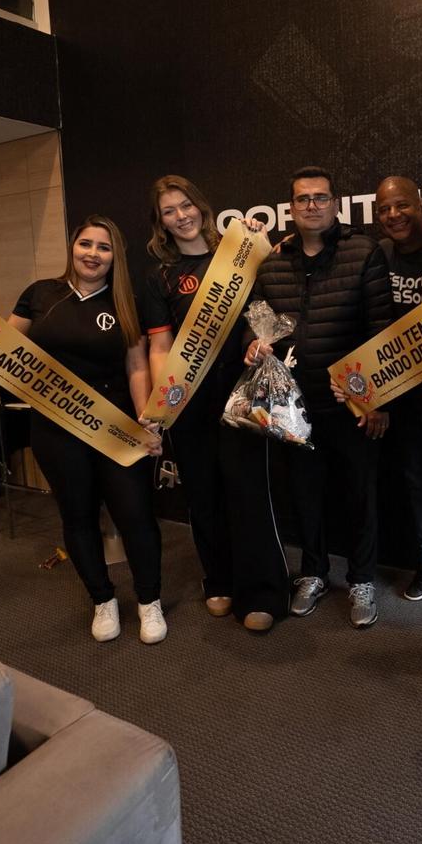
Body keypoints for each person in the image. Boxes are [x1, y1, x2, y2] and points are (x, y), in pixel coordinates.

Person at [246, 166, 393, 627]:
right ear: (290, 207)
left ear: (336, 203)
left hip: (351, 403)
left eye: (321, 198)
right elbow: (253, 324)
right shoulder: (271, 263)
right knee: (305, 495)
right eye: (303, 198)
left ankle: (363, 579)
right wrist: (251, 345)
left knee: (359, 495)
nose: (312, 205)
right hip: (293, 405)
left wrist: (378, 399)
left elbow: (382, 328)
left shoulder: (363, 251)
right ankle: (313, 573)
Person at [8, 216, 166, 644]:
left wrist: (145, 421)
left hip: (114, 428)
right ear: (72, 247)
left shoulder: (127, 302)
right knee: (77, 516)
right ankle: (102, 599)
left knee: (135, 516)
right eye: (85, 244)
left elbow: (136, 367)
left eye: (103, 247)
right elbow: (5, 349)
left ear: (115, 256)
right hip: (54, 429)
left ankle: (149, 601)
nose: (92, 254)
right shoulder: (40, 294)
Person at [144, 175, 290, 632]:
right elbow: (158, 347)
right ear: (160, 222)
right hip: (189, 399)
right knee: (204, 495)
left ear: (202, 207)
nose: (181, 216)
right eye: (169, 211)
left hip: (242, 390)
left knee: (247, 492)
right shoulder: (158, 276)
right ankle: (219, 580)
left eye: (186, 205)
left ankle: (263, 592)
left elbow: (263, 314)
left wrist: (259, 341)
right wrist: (161, 410)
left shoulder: (238, 254)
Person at [375, 176, 422, 600]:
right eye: (384, 209)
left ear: (421, 204)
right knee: (419, 481)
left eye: (401, 205)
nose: (393, 215)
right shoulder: (379, 254)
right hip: (404, 394)